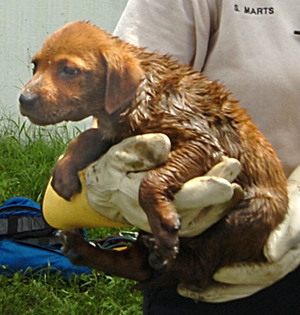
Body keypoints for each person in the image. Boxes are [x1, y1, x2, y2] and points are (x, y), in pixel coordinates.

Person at [42, 1, 300, 314]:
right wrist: (88, 169)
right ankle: (147, 261)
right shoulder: (146, 87)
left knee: (200, 241)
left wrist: (156, 187)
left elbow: (199, 143)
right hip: (196, 224)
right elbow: (115, 105)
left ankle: (180, 264)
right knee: (171, 239)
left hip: (267, 217)